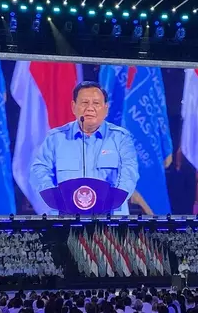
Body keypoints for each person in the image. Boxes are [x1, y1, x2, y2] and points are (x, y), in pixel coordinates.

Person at [30, 81, 139, 215]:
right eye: (84, 103)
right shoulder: (55, 138)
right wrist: (55, 199)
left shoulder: (121, 138)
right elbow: (39, 171)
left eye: (96, 103)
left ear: (106, 109)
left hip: (110, 220)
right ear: (73, 107)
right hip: (66, 218)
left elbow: (129, 173)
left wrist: (112, 201)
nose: (90, 108)